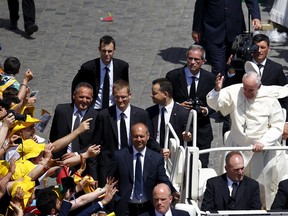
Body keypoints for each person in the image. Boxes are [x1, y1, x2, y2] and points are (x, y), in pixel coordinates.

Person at [206, 71, 288, 209]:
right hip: (238, 147)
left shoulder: (270, 100)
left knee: (263, 188)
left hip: (261, 150)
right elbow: (216, 104)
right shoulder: (235, 91)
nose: (246, 92)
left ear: (259, 86)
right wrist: (217, 90)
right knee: (232, 185)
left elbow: (277, 125)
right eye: (245, 88)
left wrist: (264, 142)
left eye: (251, 90)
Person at [95, 80, 160, 187]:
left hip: (135, 164)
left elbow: (150, 140)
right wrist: (95, 175)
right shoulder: (104, 115)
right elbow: (96, 145)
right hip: (109, 168)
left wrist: (160, 150)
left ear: (130, 95)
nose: (120, 100)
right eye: (117, 97)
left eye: (123, 97)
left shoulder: (142, 115)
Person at [107, 122, 179, 216]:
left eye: (142, 136)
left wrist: (173, 191)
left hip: (148, 208)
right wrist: (116, 200)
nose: (139, 139)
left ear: (148, 136)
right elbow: (109, 181)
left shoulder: (156, 158)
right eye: (135, 136)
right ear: (131, 136)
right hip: (125, 208)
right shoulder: (119, 156)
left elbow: (162, 178)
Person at [166, 45, 215, 168]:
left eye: (196, 59)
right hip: (179, 131)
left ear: (203, 61)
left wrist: (205, 110)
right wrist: (177, 106)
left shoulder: (210, 78)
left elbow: (216, 104)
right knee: (178, 168)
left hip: (202, 132)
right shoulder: (173, 76)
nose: (192, 62)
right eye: (190, 58)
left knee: (200, 167)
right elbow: (165, 99)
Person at [192, 0, 261, 75]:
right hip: (213, 31)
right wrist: (196, 29)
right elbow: (199, 5)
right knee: (218, 68)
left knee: (236, 66)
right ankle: (219, 86)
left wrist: (256, 16)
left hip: (235, 31)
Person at [49, 82, 99, 179]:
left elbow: (96, 143)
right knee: (63, 192)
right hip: (62, 162)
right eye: (81, 97)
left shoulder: (96, 116)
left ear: (92, 99)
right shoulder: (61, 110)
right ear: (74, 96)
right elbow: (54, 135)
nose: (84, 100)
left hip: (84, 164)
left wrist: (77, 154)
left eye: (88, 98)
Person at [72, 35, 129, 110]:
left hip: (114, 109)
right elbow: (75, 87)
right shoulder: (88, 68)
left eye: (109, 51)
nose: (106, 54)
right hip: (94, 109)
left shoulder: (122, 67)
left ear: (114, 50)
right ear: (99, 49)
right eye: (104, 51)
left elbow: (125, 88)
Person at [146, 78, 192, 148]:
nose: (151, 95)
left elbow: (189, 133)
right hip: (155, 153)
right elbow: (149, 136)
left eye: (154, 93)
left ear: (165, 94)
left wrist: (188, 136)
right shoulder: (150, 112)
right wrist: (160, 150)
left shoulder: (183, 113)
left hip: (175, 155)